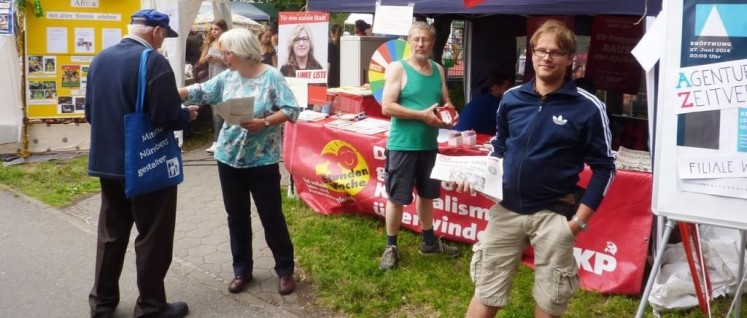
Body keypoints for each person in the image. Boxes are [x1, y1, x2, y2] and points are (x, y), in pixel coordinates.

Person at [459, 20, 616, 318]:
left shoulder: (588, 107)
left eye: (555, 52)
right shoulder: (511, 98)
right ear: (531, 53)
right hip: (506, 211)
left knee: (550, 299)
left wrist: (578, 224)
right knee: (486, 290)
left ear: (570, 58)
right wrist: (476, 175)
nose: (546, 57)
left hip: (554, 215)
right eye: (541, 50)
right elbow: (499, 147)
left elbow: (605, 168)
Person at [85, 9, 199, 318]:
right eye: (164, 37)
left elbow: (89, 113)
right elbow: (165, 115)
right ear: (157, 32)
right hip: (145, 163)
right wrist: (185, 115)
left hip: (106, 163)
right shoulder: (153, 62)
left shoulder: (100, 59)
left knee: (111, 234)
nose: (163, 43)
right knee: (153, 236)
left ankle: (102, 304)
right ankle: (150, 307)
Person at [178, 28, 301, 296]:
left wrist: (265, 122)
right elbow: (201, 90)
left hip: (262, 162)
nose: (222, 57)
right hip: (228, 158)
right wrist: (173, 92)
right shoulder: (228, 77)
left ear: (243, 52)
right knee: (236, 217)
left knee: (272, 217)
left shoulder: (271, 76)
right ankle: (242, 270)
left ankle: (284, 269)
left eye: (226, 52)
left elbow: (292, 110)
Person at [378, 21, 461, 271]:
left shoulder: (437, 69)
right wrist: (422, 116)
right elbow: (387, 106)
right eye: (416, 39)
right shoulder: (397, 68)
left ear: (433, 43)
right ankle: (391, 247)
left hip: (429, 145)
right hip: (403, 145)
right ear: (409, 41)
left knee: (427, 195)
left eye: (425, 40)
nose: (421, 44)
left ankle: (429, 242)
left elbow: (445, 100)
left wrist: (450, 111)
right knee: (397, 198)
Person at [198, 20, 229, 154]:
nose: (214, 32)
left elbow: (237, 60)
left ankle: (225, 140)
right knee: (215, 112)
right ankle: (217, 141)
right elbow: (200, 61)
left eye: (217, 29)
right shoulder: (209, 43)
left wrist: (221, 59)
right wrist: (207, 58)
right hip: (213, 80)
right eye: (212, 29)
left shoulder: (229, 42)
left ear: (223, 29)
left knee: (226, 111)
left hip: (228, 81)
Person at [327, 24, 342, 88]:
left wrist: (326, 76)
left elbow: (329, 62)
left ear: (331, 33)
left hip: (332, 72)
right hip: (340, 72)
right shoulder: (342, 43)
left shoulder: (330, 45)